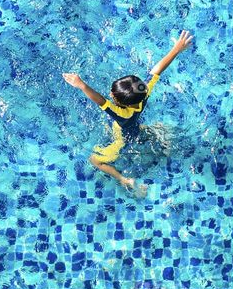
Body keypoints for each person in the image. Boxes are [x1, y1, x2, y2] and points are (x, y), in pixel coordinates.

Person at [63, 31, 193, 196]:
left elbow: (100, 100)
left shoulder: (121, 113)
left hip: (122, 138)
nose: (110, 94)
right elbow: (156, 71)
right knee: (149, 130)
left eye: (112, 94)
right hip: (137, 127)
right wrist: (175, 50)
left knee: (94, 160)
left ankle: (124, 179)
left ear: (118, 102)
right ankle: (163, 146)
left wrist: (82, 85)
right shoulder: (143, 95)